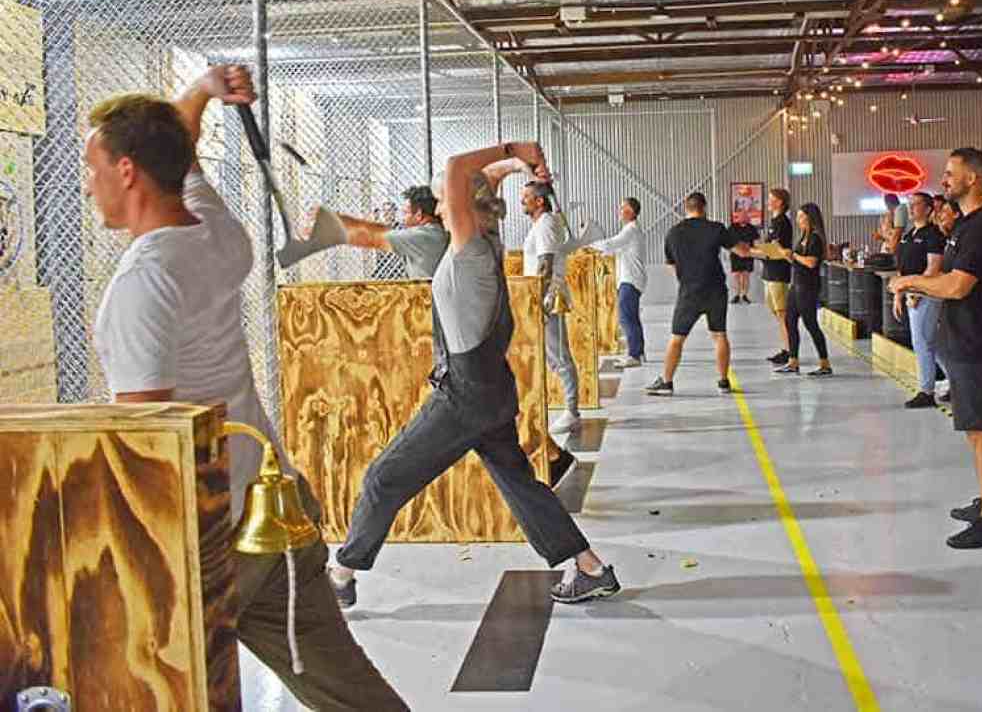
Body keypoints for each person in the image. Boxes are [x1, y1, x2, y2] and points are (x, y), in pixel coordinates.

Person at [84, 67, 407, 710]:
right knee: (350, 694)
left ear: (126, 170)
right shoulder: (217, 233)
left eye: (92, 167)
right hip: (274, 514)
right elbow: (178, 152)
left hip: (212, 540)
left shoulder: (142, 282)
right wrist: (203, 91)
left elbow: (148, 445)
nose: (88, 183)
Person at [328, 140, 620, 607]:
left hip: (464, 397)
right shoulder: (486, 239)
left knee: (384, 478)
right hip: (491, 390)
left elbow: (455, 170)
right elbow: (486, 181)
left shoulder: (468, 250)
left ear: (462, 203)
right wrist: (517, 165)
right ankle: (590, 568)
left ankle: (341, 575)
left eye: (444, 198)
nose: (439, 204)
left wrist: (515, 148)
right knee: (521, 486)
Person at [890, 148, 982, 550]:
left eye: (950, 172)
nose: (944, 179)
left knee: (981, 427)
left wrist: (910, 282)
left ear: (972, 178)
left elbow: (958, 285)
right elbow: (945, 277)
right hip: (960, 337)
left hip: (976, 339)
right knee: (974, 428)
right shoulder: (965, 224)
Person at [645, 192, 751, 396]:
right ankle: (723, 382)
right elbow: (742, 251)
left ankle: (667, 382)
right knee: (719, 335)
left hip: (689, 292)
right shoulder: (716, 228)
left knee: (677, 338)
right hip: (716, 290)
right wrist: (763, 251)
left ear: (686, 208)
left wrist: (685, 279)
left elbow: (671, 265)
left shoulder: (674, 233)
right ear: (704, 208)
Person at [521, 180, 582, 436]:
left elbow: (545, 264)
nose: (522, 201)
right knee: (552, 356)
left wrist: (540, 298)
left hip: (548, 298)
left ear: (539, 201)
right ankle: (570, 408)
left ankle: (572, 411)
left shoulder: (545, 223)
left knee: (559, 356)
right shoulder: (542, 223)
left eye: (526, 197)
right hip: (542, 296)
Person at [892, 192, 946, 408]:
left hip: (927, 295)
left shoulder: (933, 235)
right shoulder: (908, 235)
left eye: (916, 204)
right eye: (909, 204)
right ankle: (955, 381)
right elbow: (902, 268)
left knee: (922, 341)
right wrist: (899, 294)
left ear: (928, 208)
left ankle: (926, 391)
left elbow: (933, 267)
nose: (911, 208)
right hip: (910, 293)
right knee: (931, 342)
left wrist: (916, 292)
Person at [769, 202, 832, 377]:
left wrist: (794, 255)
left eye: (801, 217)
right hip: (796, 284)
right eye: (797, 217)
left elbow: (811, 262)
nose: (798, 220)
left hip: (808, 287)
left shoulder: (815, 238)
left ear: (810, 218)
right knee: (790, 321)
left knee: (811, 324)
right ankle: (793, 361)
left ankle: (825, 363)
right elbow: (797, 261)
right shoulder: (803, 236)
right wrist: (786, 254)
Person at [335, 185, 449, 280]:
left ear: (419, 215)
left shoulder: (421, 236)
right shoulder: (440, 231)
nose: (403, 218)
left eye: (405, 213)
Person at [590, 196, 647, 369]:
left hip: (630, 280)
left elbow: (611, 244)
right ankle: (638, 352)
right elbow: (614, 249)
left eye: (623, 208)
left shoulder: (630, 231)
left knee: (626, 318)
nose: (620, 211)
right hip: (631, 279)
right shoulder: (630, 230)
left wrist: (589, 245)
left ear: (630, 211)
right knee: (632, 317)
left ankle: (634, 355)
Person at [762, 187, 794, 363]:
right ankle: (787, 348)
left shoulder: (782, 222)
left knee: (783, 313)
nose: (768, 202)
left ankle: (790, 352)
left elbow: (778, 249)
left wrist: (763, 250)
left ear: (780, 202)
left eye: (771, 199)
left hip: (778, 274)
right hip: (769, 273)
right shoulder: (773, 222)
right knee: (777, 313)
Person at [728, 210, 759, 304]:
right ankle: (737, 295)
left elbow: (756, 241)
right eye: (741, 216)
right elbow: (727, 240)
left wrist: (754, 251)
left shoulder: (752, 228)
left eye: (745, 216)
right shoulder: (732, 227)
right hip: (735, 254)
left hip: (748, 254)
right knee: (736, 275)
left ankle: (745, 295)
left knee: (746, 275)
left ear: (748, 217)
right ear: (738, 217)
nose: (743, 217)